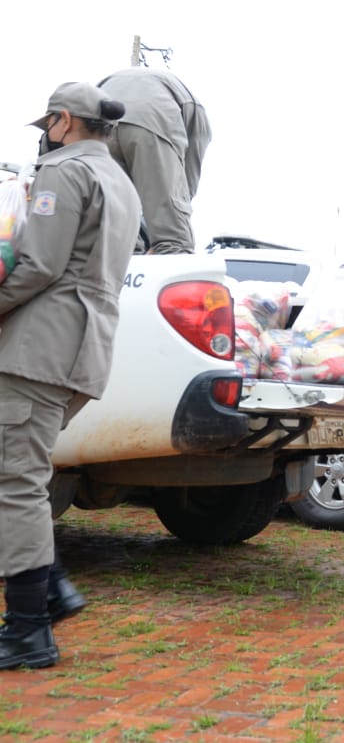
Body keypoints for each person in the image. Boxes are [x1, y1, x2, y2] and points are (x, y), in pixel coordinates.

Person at [1, 83, 142, 670]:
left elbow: (37, 264)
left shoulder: (61, 172)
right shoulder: (121, 180)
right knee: (17, 477)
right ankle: (51, 586)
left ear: (63, 122)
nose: (45, 134)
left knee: (17, 483)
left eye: (48, 124)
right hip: (82, 350)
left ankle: (29, 629)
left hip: (38, 347)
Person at [97, 68, 211, 254]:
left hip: (101, 116)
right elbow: (183, 187)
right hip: (152, 115)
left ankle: (129, 265)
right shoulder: (198, 117)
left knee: (119, 230)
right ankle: (171, 263)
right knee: (172, 239)